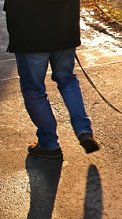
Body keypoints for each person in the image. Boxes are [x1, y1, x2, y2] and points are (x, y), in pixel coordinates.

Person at [3, 0, 99, 159]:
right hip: (64, 27)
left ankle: (48, 144)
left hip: (30, 32)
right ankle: (84, 130)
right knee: (67, 80)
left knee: (34, 90)